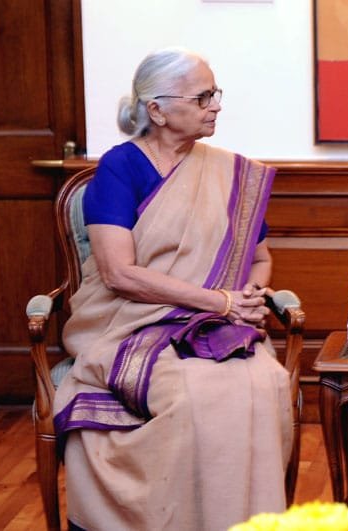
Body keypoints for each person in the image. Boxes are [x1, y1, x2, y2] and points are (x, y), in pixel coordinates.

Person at [53, 48, 293, 531]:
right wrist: (220, 301)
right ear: (157, 110)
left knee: (263, 381)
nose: (216, 105)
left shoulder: (231, 174)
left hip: (215, 325)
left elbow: (261, 259)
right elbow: (119, 274)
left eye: (215, 93)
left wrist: (247, 298)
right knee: (193, 391)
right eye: (203, 96)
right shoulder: (121, 169)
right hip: (128, 325)